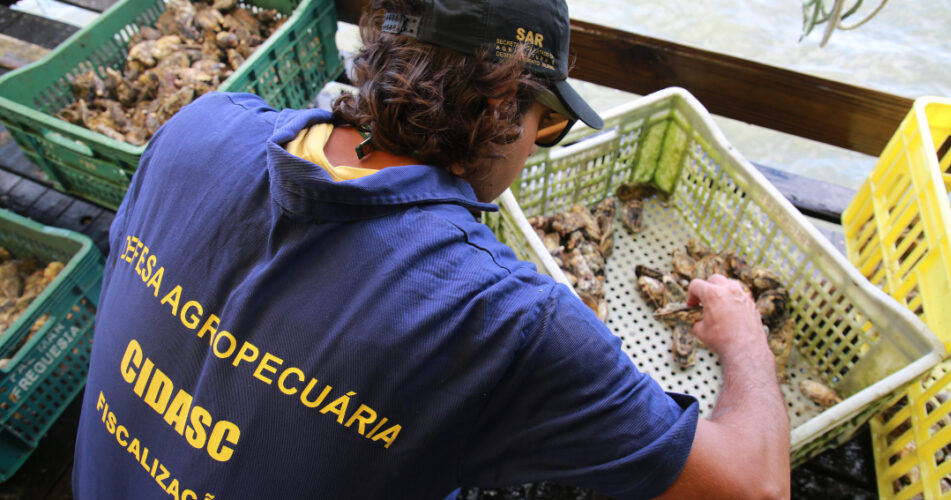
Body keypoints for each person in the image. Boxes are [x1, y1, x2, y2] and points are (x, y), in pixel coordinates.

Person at [72, 0, 790, 498]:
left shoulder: (203, 123)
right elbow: (752, 487)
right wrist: (744, 337)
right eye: (547, 126)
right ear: (504, 108)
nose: (537, 151)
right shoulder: (503, 318)